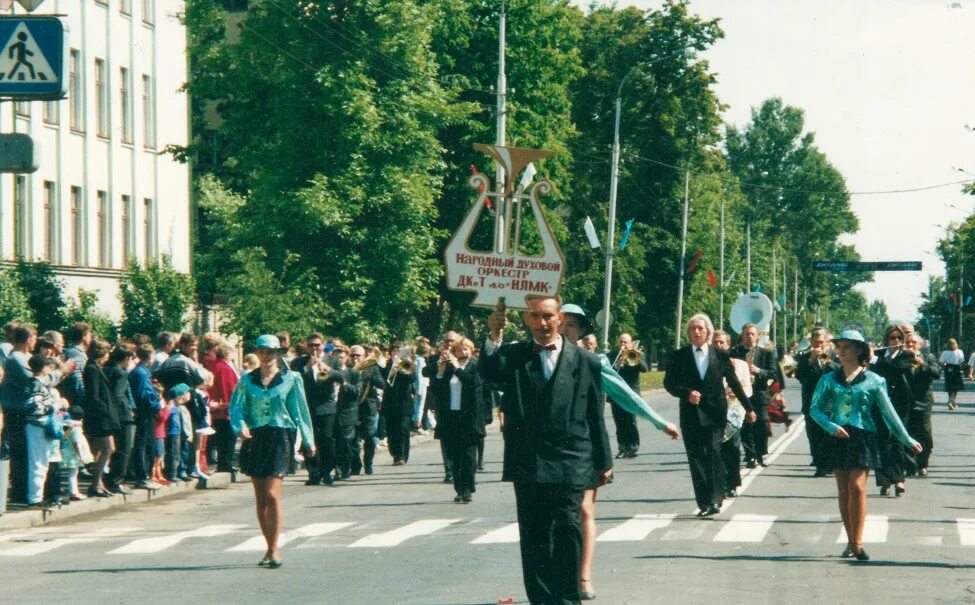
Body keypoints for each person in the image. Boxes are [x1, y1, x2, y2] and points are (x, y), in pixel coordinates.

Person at [480, 295, 612, 605]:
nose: (542, 323)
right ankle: (541, 599)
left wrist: (603, 460)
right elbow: (487, 372)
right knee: (534, 535)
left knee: (567, 530)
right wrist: (494, 335)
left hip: (571, 461)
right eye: (535, 316)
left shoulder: (586, 361)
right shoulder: (513, 356)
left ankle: (568, 599)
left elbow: (595, 414)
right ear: (526, 319)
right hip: (528, 461)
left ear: (560, 317)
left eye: (548, 316)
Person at [560, 304, 678, 601]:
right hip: (550, 450)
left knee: (584, 509)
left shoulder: (592, 361)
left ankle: (583, 576)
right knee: (558, 514)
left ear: (582, 330)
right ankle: (561, 574)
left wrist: (659, 421)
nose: (565, 329)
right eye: (561, 322)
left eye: (572, 325)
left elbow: (625, 394)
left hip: (586, 444)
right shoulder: (539, 357)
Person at [810, 329, 922, 561]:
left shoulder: (875, 380)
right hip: (838, 435)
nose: (841, 351)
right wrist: (830, 426)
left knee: (857, 486)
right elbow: (815, 409)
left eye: (847, 347)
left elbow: (888, 413)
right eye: (840, 347)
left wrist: (907, 439)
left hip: (863, 437)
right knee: (843, 489)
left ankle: (858, 542)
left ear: (859, 349)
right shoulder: (828, 379)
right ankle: (850, 541)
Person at [230, 334, 315, 569]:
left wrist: (308, 439)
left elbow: (300, 410)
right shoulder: (246, 381)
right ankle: (267, 546)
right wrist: (240, 426)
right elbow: (236, 408)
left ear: (279, 354)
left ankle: (275, 548)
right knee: (260, 498)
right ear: (257, 353)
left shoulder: (292, 378)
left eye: (272, 352)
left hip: (280, 436)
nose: (267, 356)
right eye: (263, 351)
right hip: (256, 437)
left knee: (273, 494)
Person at [664, 314, 753, 518]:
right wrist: (686, 393)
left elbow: (734, 383)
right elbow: (669, 383)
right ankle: (704, 502)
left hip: (715, 413)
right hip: (690, 413)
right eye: (693, 329)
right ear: (688, 333)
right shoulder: (679, 356)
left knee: (713, 453)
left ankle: (715, 499)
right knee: (696, 457)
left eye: (700, 329)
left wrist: (749, 408)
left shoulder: (720, 355)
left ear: (708, 332)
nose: (696, 332)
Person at [431, 338, 486, 503]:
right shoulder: (448, 368)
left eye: (466, 350)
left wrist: (456, 367)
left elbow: (472, 383)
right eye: (459, 350)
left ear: (470, 350)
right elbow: (437, 390)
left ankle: (467, 489)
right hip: (451, 417)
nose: (462, 353)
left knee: (468, 455)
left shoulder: (476, 366)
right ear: (453, 352)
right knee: (454, 455)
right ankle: (459, 488)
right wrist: (440, 372)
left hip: (469, 417)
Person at [291, 333, 344, 486]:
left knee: (326, 440)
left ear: (322, 345)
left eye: (317, 345)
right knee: (309, 440)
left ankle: (327, 471)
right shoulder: (299, 362)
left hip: (327, 406)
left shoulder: (332, 360)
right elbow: (293, 379)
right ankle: (313, 473)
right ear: (307, 347)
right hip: (307, 406)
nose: (314, 348)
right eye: (311, 345)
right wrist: (307, 367)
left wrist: (326, 368)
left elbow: (341, 377)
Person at [871, 325, 917, 496]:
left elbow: (895, 370)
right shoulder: (878, 355)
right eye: (892, 338)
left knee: (897, 441)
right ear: (887, 340)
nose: (896, 341)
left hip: (899, 404)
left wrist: (875, 360)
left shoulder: (907, 355)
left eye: (899, 338)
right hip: (879, 403)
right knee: (881, 441)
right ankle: (884, 482)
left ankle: (899, 480)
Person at [730, 323, 780, 468]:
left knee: (762, 423)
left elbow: (774, 373)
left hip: (759, 392)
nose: (749, 336)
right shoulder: (735, 352)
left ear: (757, 336)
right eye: (747, 334)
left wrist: (758, 371)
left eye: (752, 334)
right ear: (742, 335)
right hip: (741, 393)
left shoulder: (766, 353)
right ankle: (750, 455)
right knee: (745, 425)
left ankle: (762, 453)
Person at [712, 330, 751, 499]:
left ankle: (733, 483)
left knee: (733, 449)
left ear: (728, 345)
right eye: (715, 342)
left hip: (735, 411)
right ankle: (721, 485)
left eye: (722, 342)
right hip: (716, 411)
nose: (718, 345)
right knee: (717, 450)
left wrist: (738, 394)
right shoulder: (708, 363)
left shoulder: (740, 365)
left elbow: (748, 389)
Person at [81, 339, 122, 498]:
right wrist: (104, 412)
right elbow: (94, 395)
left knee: (100, 450)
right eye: (106, 353)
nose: (108, 356)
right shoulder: (91, 369)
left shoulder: (95, 367)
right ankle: (95, 483)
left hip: (101, 416)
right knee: (108, 449)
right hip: (100, 417)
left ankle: (98, 483)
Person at [795, 328, 837, 477]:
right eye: (816, 342)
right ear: (812, 342)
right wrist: (811, 360)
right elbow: (799, 376)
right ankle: (820, 465)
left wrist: (829, 362)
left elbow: (841, 372)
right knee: (814, 435)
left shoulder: (834, 356)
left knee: (829, 435)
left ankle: (830, 464)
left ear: (826, 342)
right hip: (811, 402)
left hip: (830, 403)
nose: (819, 345)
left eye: (821, 342)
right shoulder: (804, 357)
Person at [24, 354, 63, 507]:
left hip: (39, 427)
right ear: (44, 368)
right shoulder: (36, 384)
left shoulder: (36, 383)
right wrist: (54, 406)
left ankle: (37, 496)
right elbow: (34, 407)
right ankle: (35, 498)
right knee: (38, 464)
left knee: (41, 463)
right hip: (37, 427)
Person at [903, 332, 940, 477]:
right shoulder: (901, 358)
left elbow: (936, 373)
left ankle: (922, 464)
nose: (910, 344)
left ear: (919, 344)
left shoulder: (928, 357)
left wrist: (922, 364)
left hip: (923, 401)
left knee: (924, 434)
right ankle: (910, 467)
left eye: (913, 342)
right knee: (907, 433)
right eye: (908, 342)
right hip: (906, 401)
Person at [606, 333, 647, 459]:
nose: (622, 344)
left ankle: (633, 447)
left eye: (625, 342)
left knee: (630, 421)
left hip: (630, 394)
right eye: (621, 342)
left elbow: (644, 368)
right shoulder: (612, 355)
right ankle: (622, 447)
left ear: (630, 343)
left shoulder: (634, 354)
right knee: (619, 422)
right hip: (616, 393)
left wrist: (634, 354)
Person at [103, 346, 137, 495]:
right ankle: (116, 481)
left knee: (112, 448)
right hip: (122, 415)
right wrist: (127, 409)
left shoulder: (105, 369)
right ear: (126, 359)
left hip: (108, 414)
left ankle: (109, 478)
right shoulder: (120, 373)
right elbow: (118, 394)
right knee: (125, 448)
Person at [129, 344, 162, 490]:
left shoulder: (143, 371)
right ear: (149, 355)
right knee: (143, 445)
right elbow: (144, 394)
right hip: (145, 413)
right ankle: (142, 476)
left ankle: (145, 475)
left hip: (146, 412)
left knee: (147, 445)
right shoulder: (141, 373)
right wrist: (155, 404)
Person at [205, 344, 239, 473]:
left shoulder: (213, 366)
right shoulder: (225, 368)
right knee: (228, 438)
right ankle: (225, 463)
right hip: (225, 409)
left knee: (219, 439)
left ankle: (222, 462)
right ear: (226, 354)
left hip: (215, 408)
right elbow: (230, 388)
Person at [939, 338, 965, 410]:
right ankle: (952, 401)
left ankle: (952, 401)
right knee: (955, 386)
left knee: (949, 385)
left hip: (948, 369)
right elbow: (961, 361)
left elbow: (941, 362)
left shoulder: (944, 352)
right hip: (956, 368)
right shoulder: (959, 351)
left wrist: (944, 365)